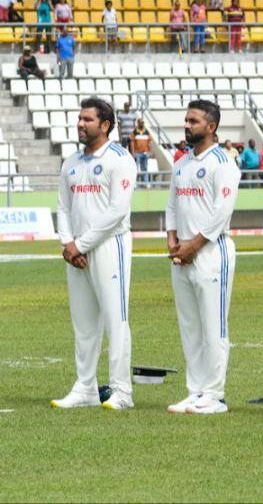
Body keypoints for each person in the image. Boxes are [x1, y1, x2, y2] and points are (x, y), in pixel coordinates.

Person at [51, 98, 137, 411]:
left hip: (109, 246)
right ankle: (85, 387)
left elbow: (117, 211)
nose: (80, 124)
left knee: (116, 320)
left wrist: (80, 244)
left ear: (105, 125)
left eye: (88, 119)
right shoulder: (72, 161)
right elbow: (63, 206)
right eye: (79, 118)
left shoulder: (120, 159)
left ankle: (121, 391)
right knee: (84, 323)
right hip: (75, 251)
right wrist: (67, 243)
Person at [165, 100, 242, 415]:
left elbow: (221, 212)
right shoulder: (182, 163)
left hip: (211, 252)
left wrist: (194, 245)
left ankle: (215, 394)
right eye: (186, 120)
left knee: (214, 325)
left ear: (211, 127)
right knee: (190, 326)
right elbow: (172, 205)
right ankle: (195, 390)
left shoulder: (223, 162)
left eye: (193, 121)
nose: (187, 125)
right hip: (182, 253)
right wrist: (173, 241)